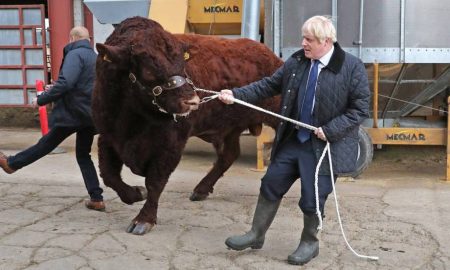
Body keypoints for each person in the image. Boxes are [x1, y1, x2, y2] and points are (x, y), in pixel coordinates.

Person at [218, 16, 370, 265]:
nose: (303, 43)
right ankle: (256, 235)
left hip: (323, 146)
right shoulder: (298, 61)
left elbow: (360, 110)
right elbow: (268, 86)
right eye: (303, 38)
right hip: (293, 139)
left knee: (312, 198)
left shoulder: (352, 67)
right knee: (271, 183)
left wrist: (330, 130)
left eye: (309, 39)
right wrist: (235, 94)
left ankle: (310, 243)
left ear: (327, 41)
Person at [0, 26, 105, 211]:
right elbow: (85, 84)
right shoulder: (96, 57)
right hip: (90, 114)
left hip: (73, 114)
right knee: (83, 154)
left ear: (72, 38)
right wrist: (56, 88)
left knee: (46, 144)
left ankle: (12, 164)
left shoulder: (75, 54)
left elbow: (67, 82)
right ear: (88, 39)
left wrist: (42, 99)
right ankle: (96, 198)